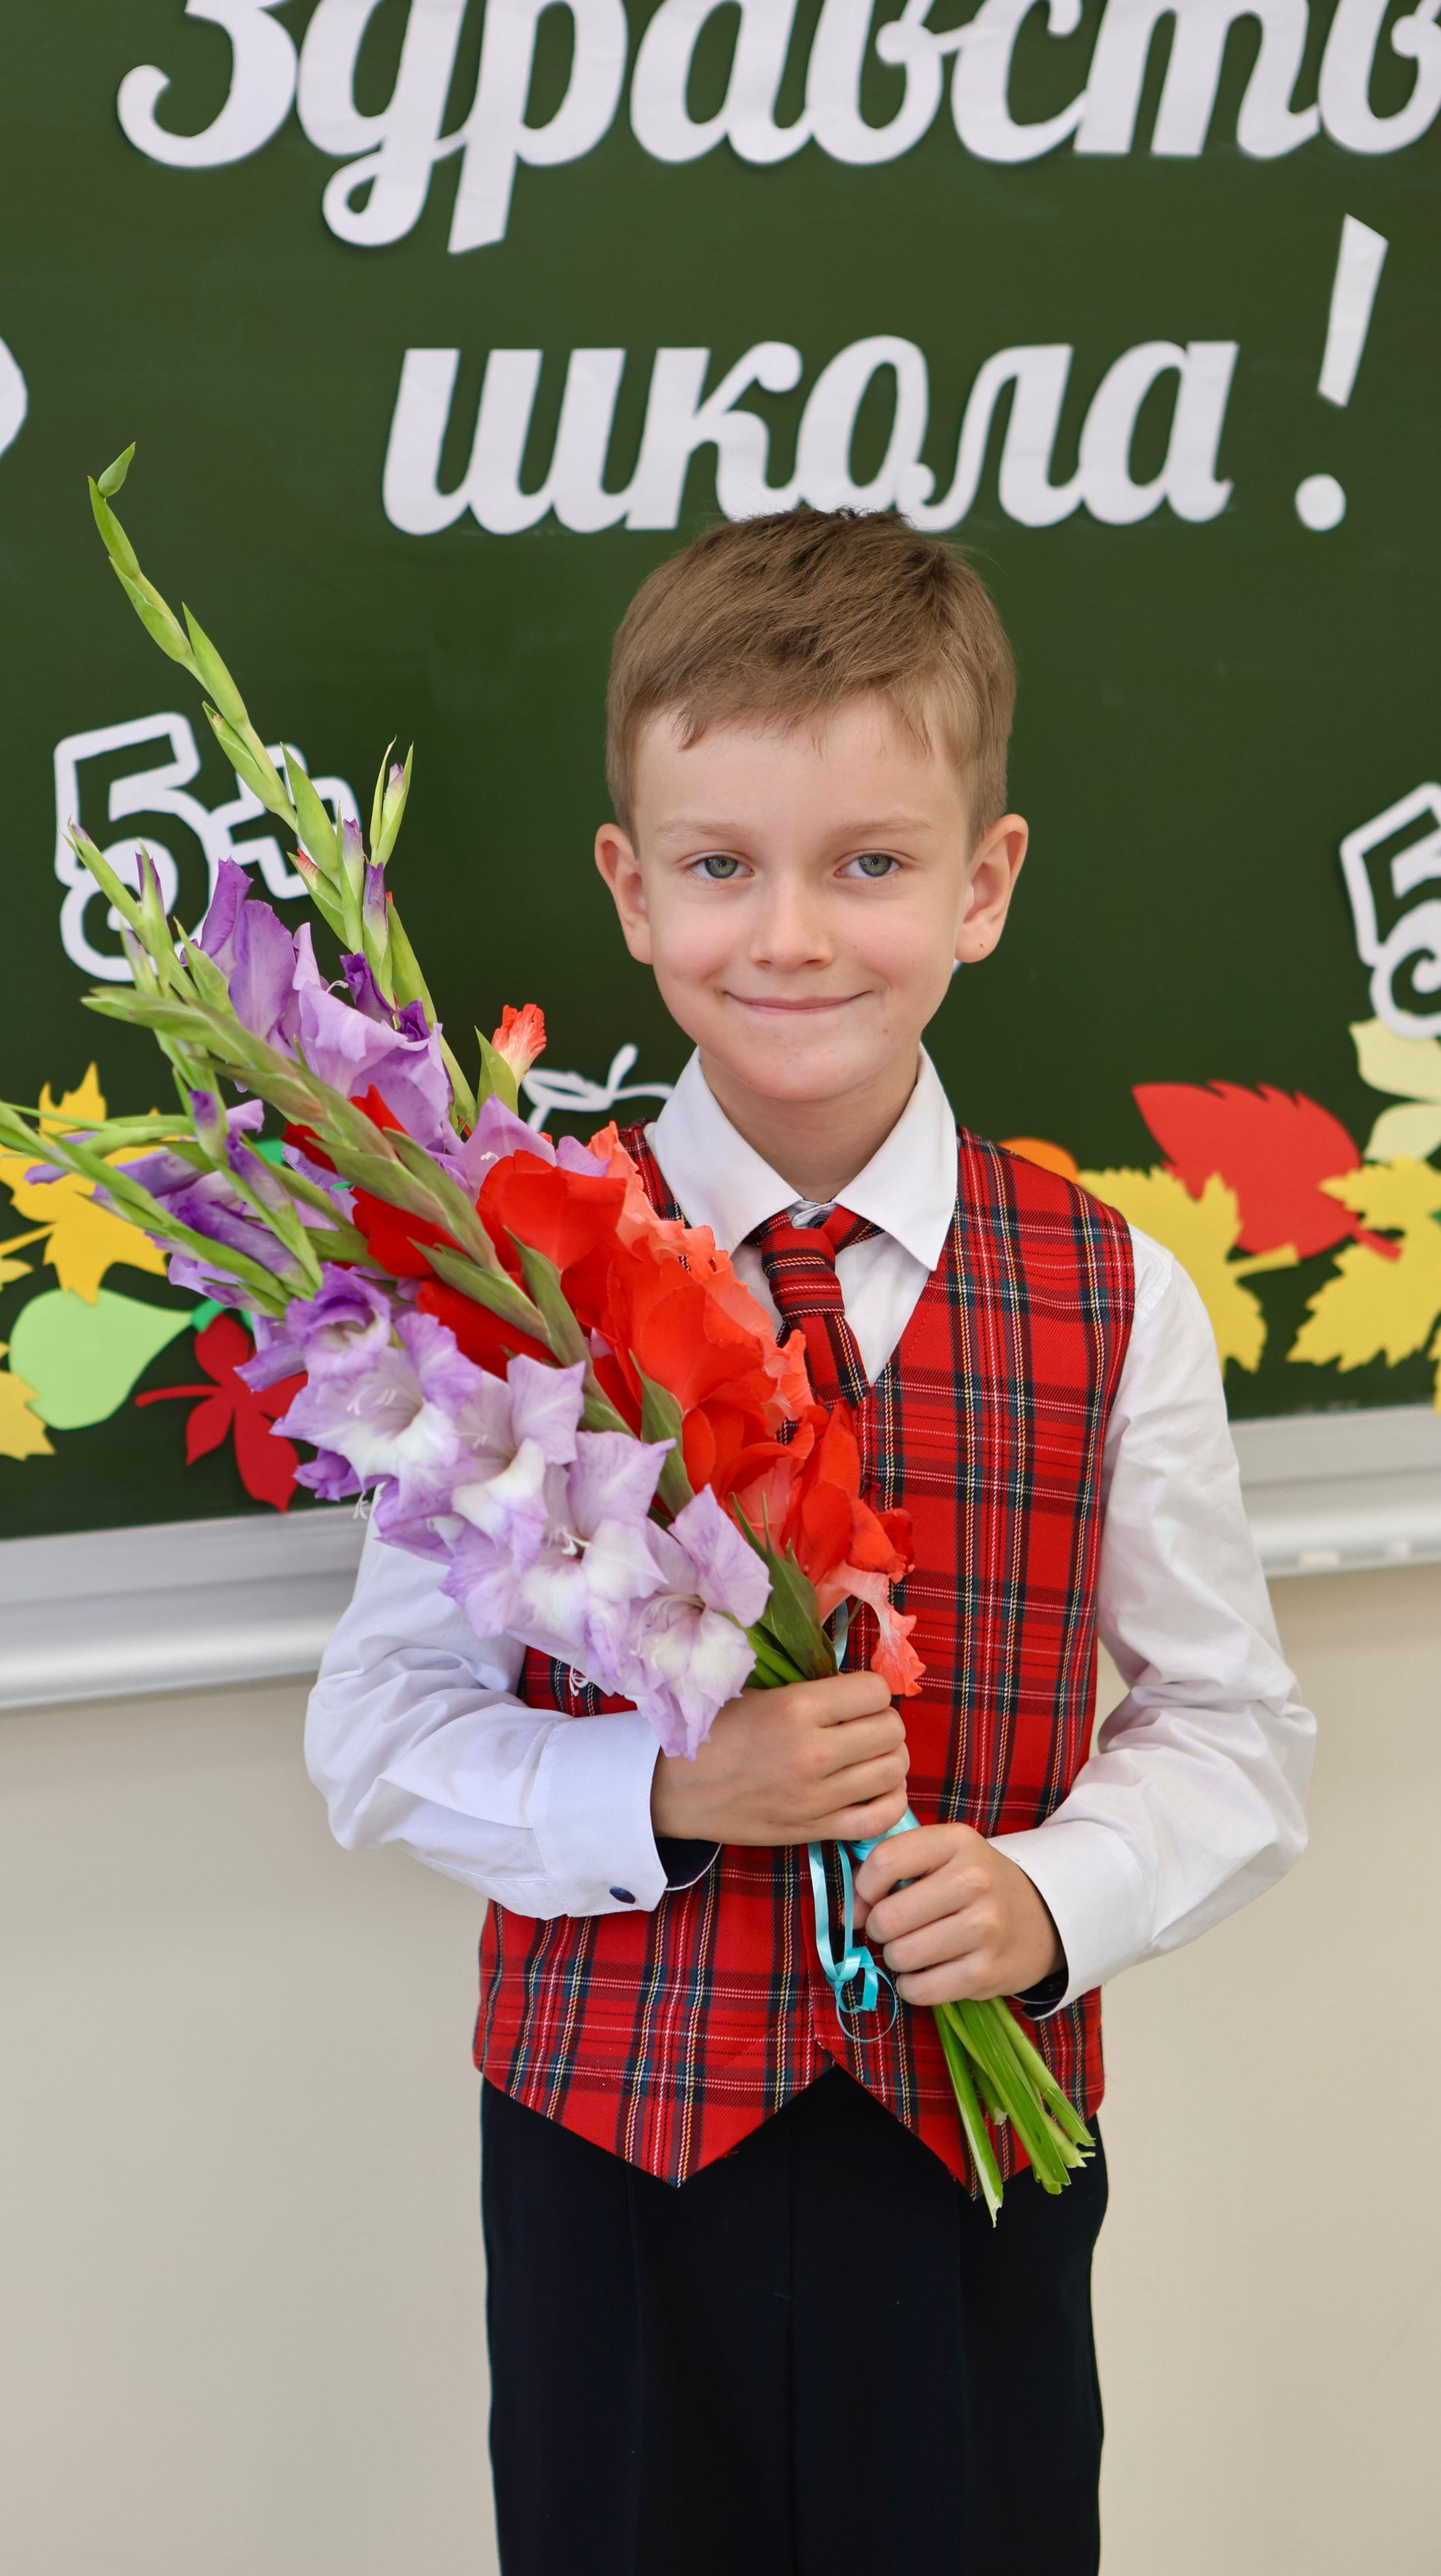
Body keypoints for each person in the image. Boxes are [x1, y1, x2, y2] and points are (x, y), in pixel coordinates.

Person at [304, 508, 1314, 2576]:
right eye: (720, 865)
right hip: (610, 2170)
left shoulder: (1116, 1295)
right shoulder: (510, 1283)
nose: (792, 935)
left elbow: (1234, 1733)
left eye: (871, 863)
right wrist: (670, 1792)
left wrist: (1055, 1895)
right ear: (630, 887)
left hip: (970, 2178)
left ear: (985, 885)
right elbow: (379, 1730)